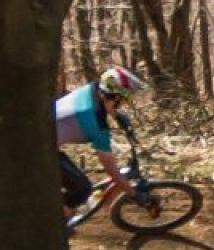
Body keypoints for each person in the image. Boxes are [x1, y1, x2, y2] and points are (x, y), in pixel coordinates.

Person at [55, 66, 148, 213]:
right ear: (116, 97)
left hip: (37, 138)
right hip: (36, 149)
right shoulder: (96, 124)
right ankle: (57, 225)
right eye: (126, 99)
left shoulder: (91, 89)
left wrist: (116, 115)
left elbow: (101, 105)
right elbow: (111, 170)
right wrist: (134, 195)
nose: (126, 103)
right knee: (82, 189)